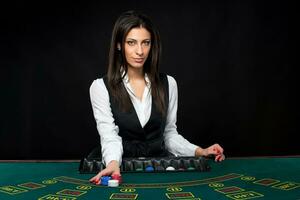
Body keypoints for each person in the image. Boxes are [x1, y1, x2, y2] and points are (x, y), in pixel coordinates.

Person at [89, 10, 225, 185]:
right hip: (119, 167)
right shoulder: (100, 87)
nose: (140, 51)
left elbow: (168, 135)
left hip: (158, 168)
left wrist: (200, 151)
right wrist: (113, 164)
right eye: (131, 43)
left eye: (145, 43)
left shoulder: (169, 83)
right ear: (119, 45)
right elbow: (109, 135)